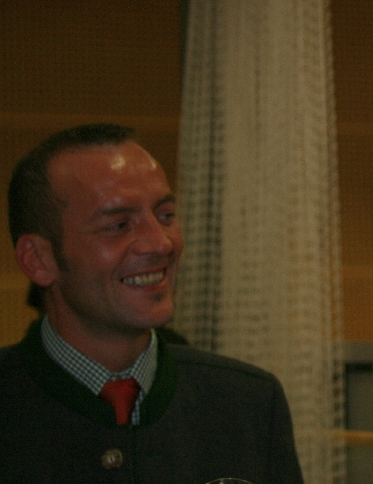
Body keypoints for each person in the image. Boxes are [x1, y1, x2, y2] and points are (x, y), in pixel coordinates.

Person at [1, 124, 304, 484]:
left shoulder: (247, 403)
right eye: (118, 225)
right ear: (38, 259)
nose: (161, 243)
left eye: (166, 216)